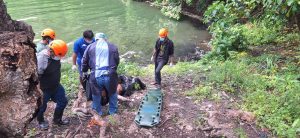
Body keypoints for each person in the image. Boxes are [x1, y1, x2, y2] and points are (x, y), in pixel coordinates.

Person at [81, 33, 120, 116]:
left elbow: (84, 61)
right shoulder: (113, 47)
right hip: (110, 74)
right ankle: (113, 112)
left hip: (95, 75)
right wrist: (113, 70)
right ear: (105, 39)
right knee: (112, 93)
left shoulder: (90, 47)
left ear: (96, 39)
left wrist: (84, 71)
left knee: (96, 94)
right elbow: (117, 60)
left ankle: (97, 112)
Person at [36, 40, 69, 130]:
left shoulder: (56, 53)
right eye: (58, 55)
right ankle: (41, 121)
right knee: (42, 106)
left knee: (63, 101)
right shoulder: (42, 58)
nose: (59, 58)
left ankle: (57, 119)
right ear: (51, 51)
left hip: (55, 85)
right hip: (44, 88)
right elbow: (37, 75)